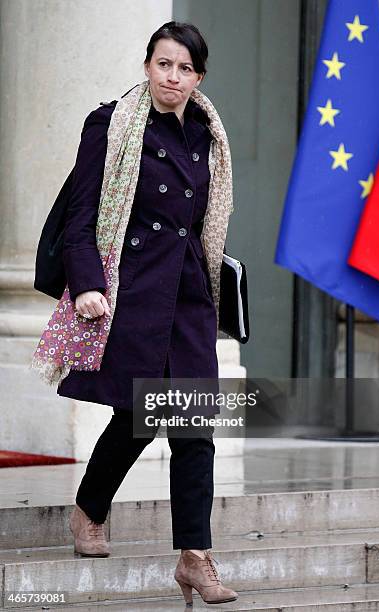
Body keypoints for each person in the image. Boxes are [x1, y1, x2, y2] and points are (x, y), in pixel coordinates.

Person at [33, 20, 237, 605]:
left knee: (193, 426)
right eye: (162, 63)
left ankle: (195, 558)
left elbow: (204, 221)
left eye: (184, 68)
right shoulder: (110, 124)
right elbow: (81, 217)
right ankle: (88, 511)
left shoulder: (207, 133)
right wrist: (89, 284)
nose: (172, 77)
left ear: (199, 78)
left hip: (191, 295)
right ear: (147, 65)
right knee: (136, 416)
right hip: (132, 292)